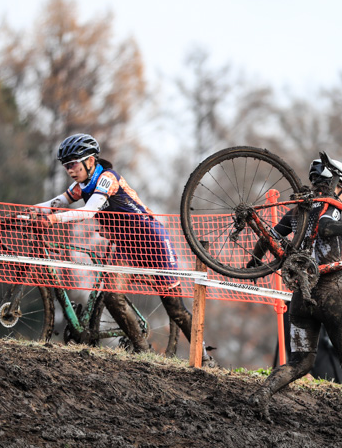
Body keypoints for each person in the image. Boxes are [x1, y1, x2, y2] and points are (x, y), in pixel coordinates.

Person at [32, 133, 216, 367]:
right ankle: (143, 351)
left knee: (175, 309)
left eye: (73, 164)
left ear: (90, 161)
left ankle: (205, 358)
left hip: (152, 242)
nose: (69, 170)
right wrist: (18, 216)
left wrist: (53, 221)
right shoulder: (81, 185)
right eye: (66, 165)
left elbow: (88, 211)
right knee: (112, 296)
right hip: (126, 246)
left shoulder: (107, 179)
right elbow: (52, 204)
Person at [247, 156, 342, 424]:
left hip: (301, 298)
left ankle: (262, 394)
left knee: (301, 362)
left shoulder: (297, 210)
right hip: (332, 294)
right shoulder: (330, 206)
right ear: (335, 184)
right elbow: (326, 227)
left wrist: (254, 262)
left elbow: (271, 236)